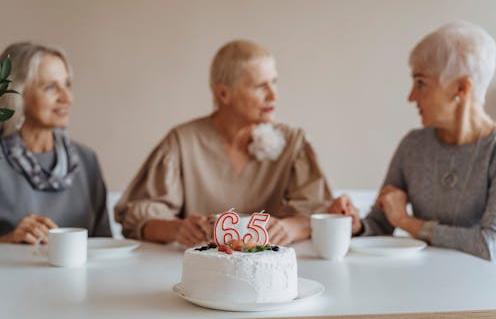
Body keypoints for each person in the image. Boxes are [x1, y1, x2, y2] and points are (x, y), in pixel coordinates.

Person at [115, 40, 332, 246]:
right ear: (223, 93)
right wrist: (176, 229)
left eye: (274, 82)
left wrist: (292, 228)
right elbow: (137, 217)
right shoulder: (182, 142)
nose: (273, 94)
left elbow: (321, 213)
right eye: (259, 86)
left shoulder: (293, 141)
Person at [330, 21, 496, 263]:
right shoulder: (413, 146)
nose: (411, 97)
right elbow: (380, 223)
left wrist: (407, 223)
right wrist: (355, 225)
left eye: (421, 83)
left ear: (461, 88)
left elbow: (492, 246)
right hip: (422, 285)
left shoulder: (495, 150)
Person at [0, 42, 111, 243]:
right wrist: (6, 241)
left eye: (67, 85)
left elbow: (104, 244)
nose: (67, 97)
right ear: (17, 93)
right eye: (50, 87)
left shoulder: (87, 160)